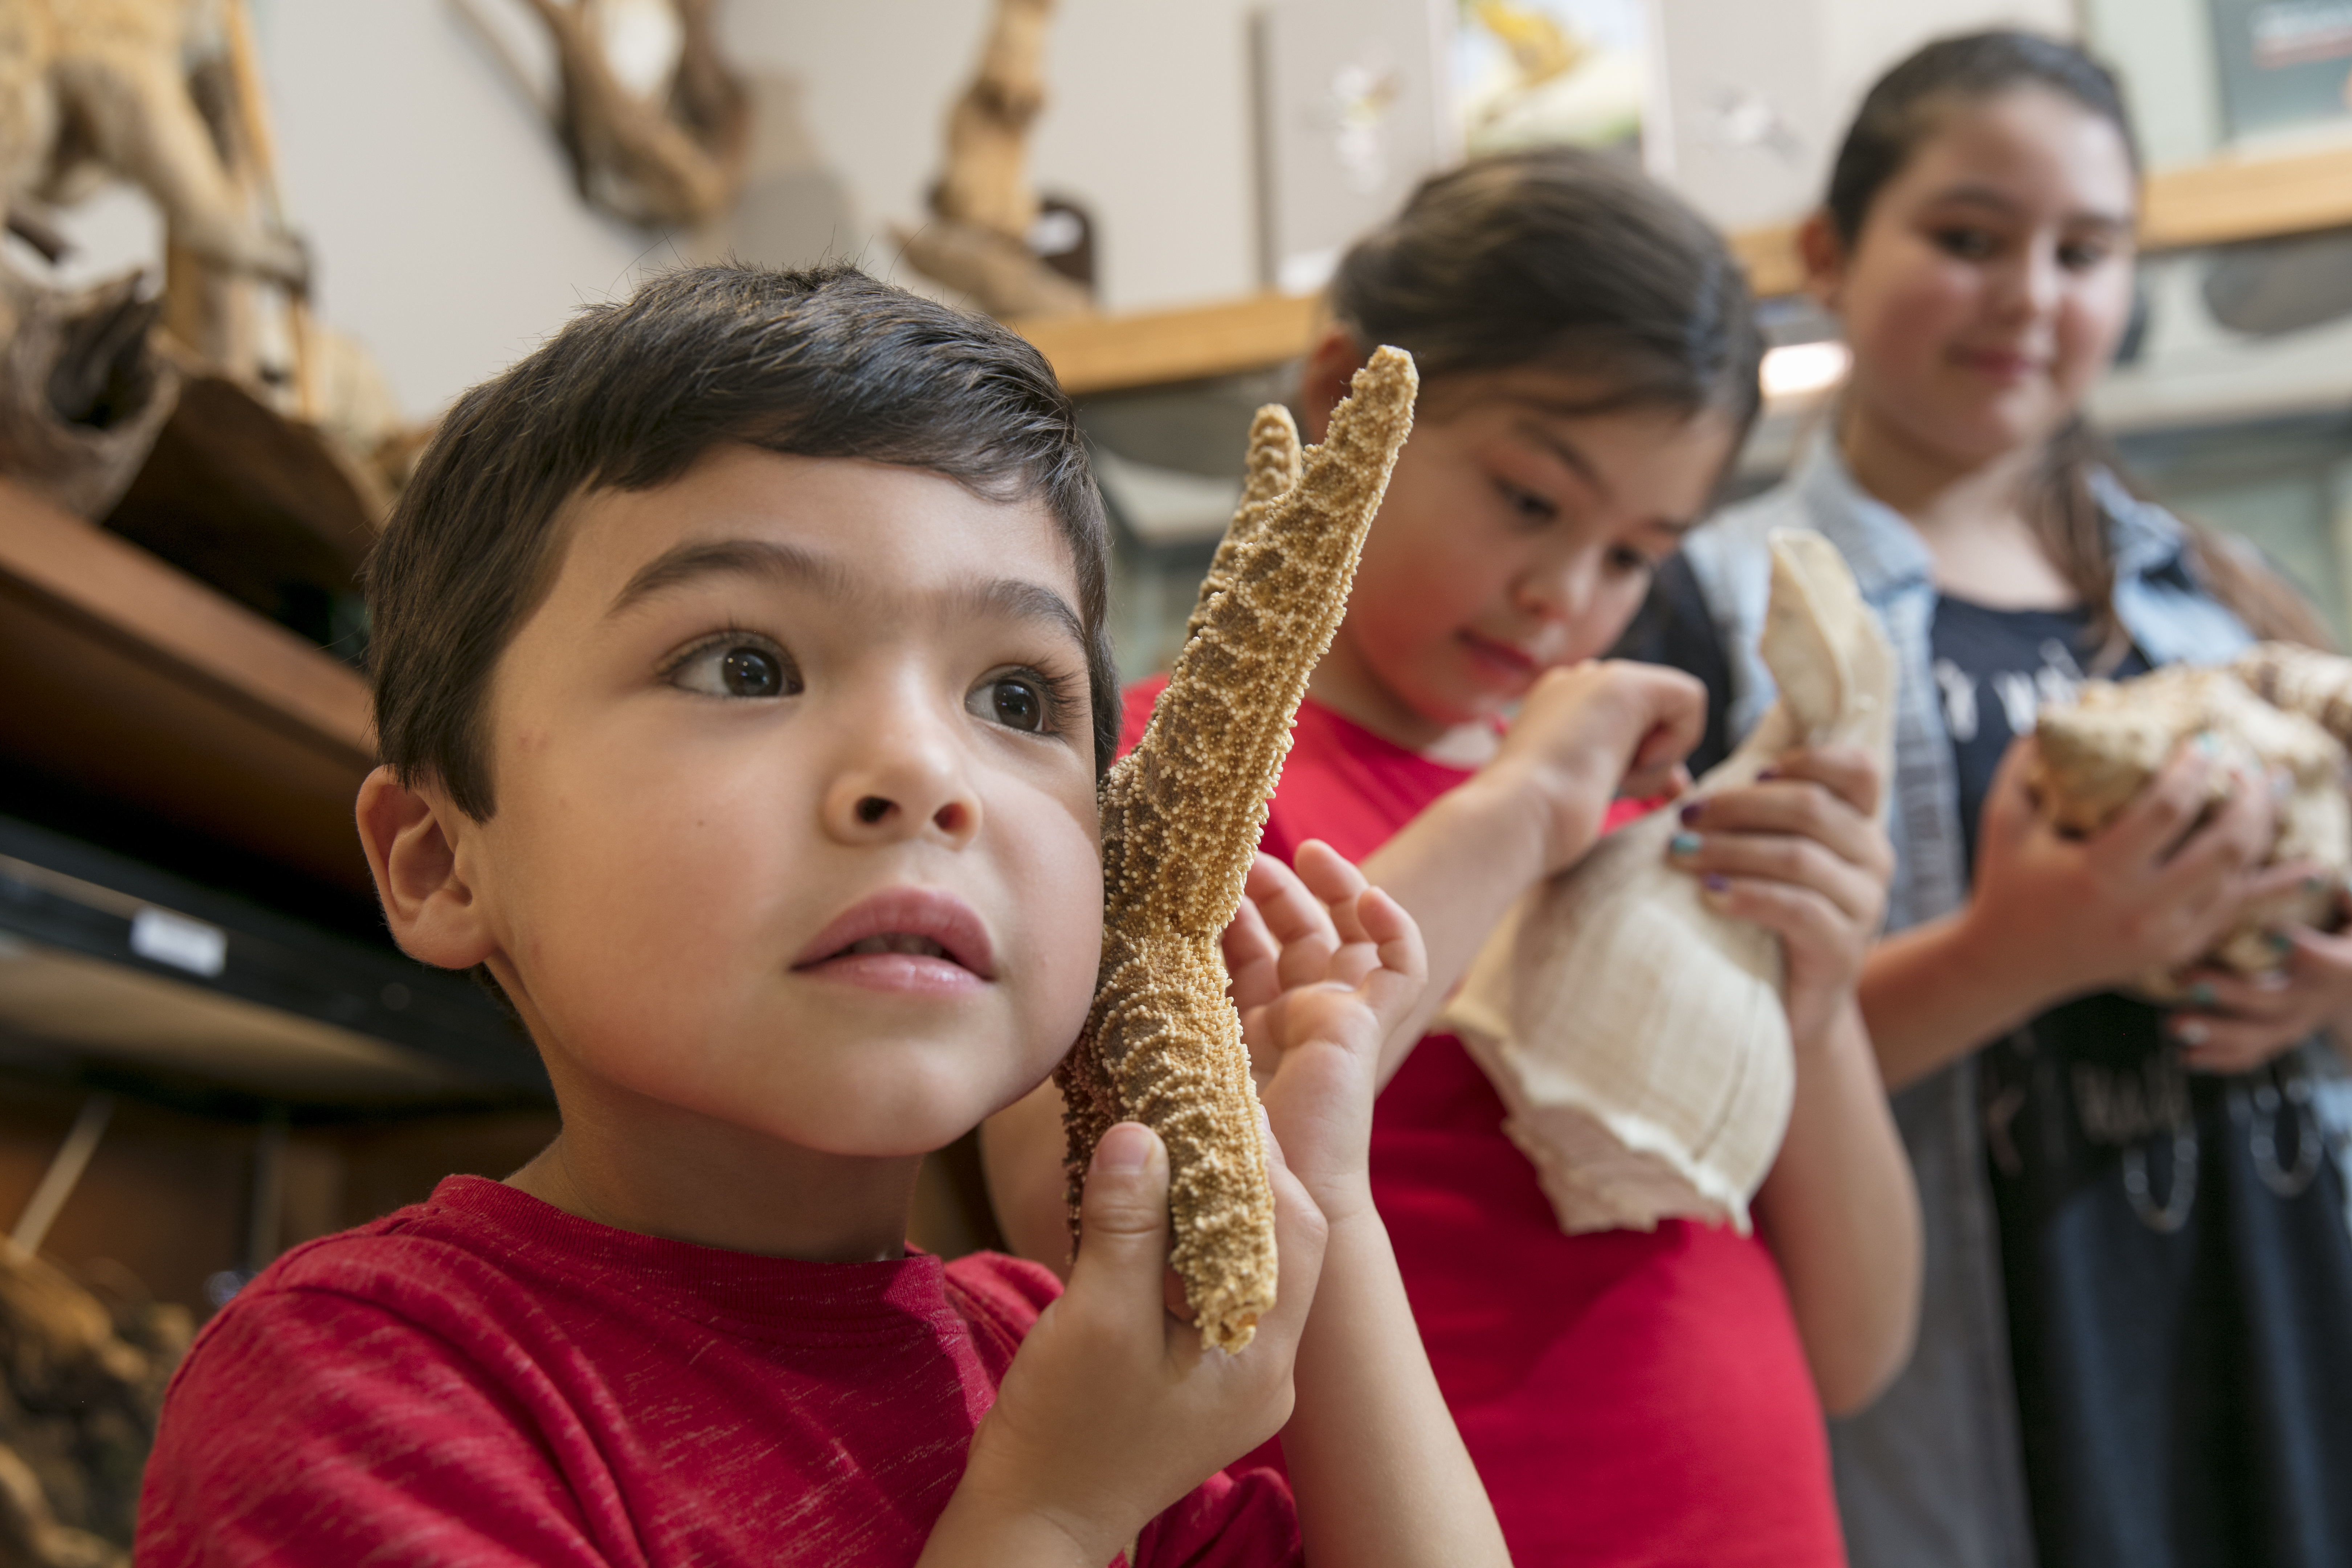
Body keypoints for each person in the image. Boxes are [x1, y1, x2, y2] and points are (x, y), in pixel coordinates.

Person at [132, 264, 1513, 1568]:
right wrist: (1048, 1518)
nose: (923, 773)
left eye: (1017, 700)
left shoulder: (1067, 1351)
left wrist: (1315, 1197)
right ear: (443, 860)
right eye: (745, 665)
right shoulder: (364, 1379)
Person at [986, 149, 1923, 1566]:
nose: (1569, 594)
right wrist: (1521, 808)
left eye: (1635, 555)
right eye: (1534, 502)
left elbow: (1855, 1349)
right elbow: (1088, 1231)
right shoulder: (1160, 793)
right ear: (1342, 395)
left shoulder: (1627, 833)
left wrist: (1819, 989)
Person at [1617, 31, 2352, 1568]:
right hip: (1971, 1418)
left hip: (2283, 1345)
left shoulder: (2226, 600)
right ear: (1829, 253)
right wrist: (2017, 955)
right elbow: (1667, 1085)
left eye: (2087, 251)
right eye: (1968, 239)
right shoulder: (1704, 607)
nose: (2032, 295)